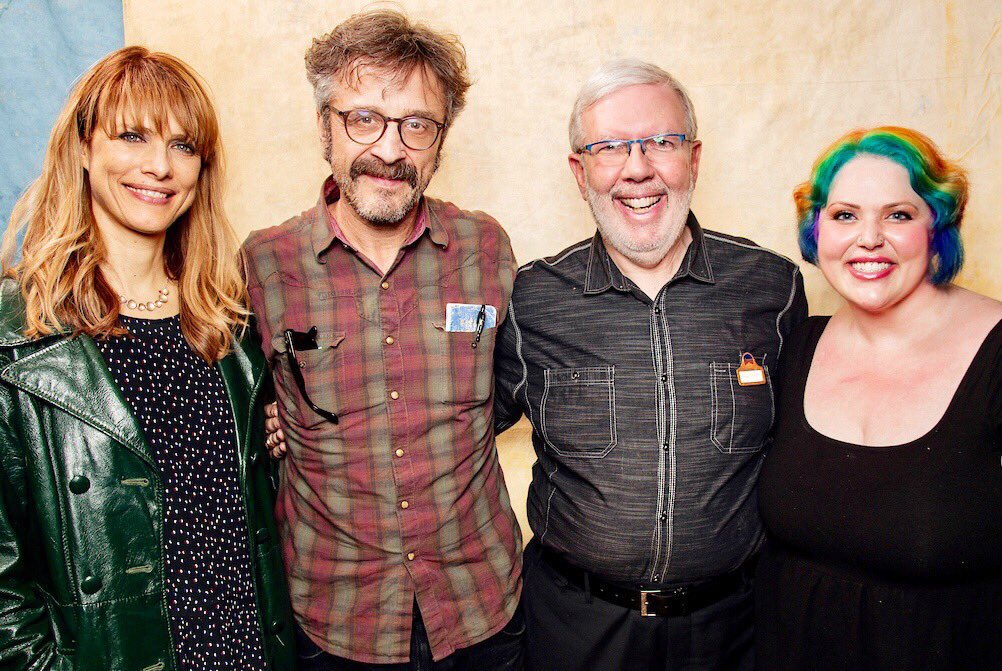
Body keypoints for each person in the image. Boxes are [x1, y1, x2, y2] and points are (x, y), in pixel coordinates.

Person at [492, 59, 807, 670]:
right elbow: (451, 428)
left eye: (660, 142)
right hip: (575, 630)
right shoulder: (530, 300)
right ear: (580, 174)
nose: (638, 169)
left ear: (694, 157)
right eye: (609, 148)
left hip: (735, 630)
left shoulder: (771, 288)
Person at [243, 11, 523, 670]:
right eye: (363, 118)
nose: (390, 150)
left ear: (440, 140)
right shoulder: (263, 264)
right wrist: (270, 422)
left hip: (482, 610)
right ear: (324, 128)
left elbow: (510, 389)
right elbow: (233, 407)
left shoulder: (487, 248)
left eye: (416, 125)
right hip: (337, 623)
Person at [0, 47, 295, 670]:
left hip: (246, 653)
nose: (160, 167)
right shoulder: (18, 336)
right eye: (133, 136)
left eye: (183, 146)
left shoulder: (229, 320)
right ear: (83, 147)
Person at [756, 127, 1002, 670]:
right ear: (816, 229)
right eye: (845, 215)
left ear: (937, 226)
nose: (869, 238)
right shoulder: (799, 345)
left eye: (898, 214)